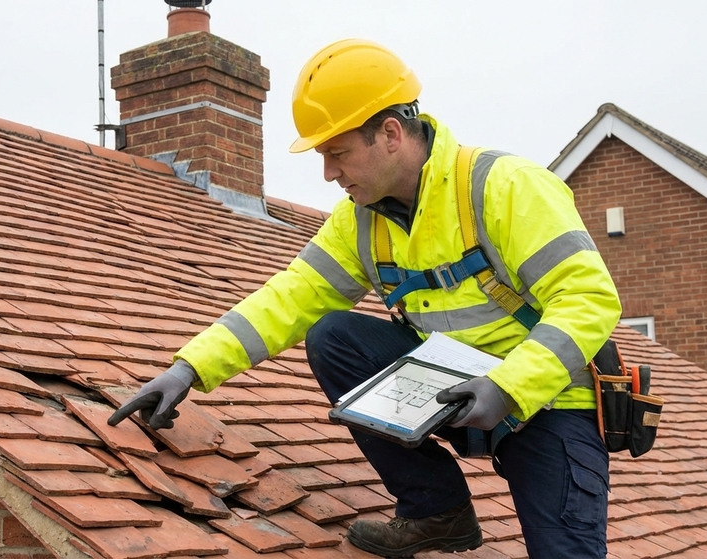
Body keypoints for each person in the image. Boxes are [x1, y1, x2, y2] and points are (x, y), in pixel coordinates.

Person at [108, 38, 621, 559]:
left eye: (337, 152)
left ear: (391, 134)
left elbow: (589, 299)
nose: (329, 173)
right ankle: (435, 512)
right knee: (334, 335)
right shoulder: (358, 221)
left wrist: (509, 387)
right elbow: (288, 298)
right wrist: (188, 369)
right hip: (453, 395)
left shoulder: (505, 186)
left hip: (551, 402)